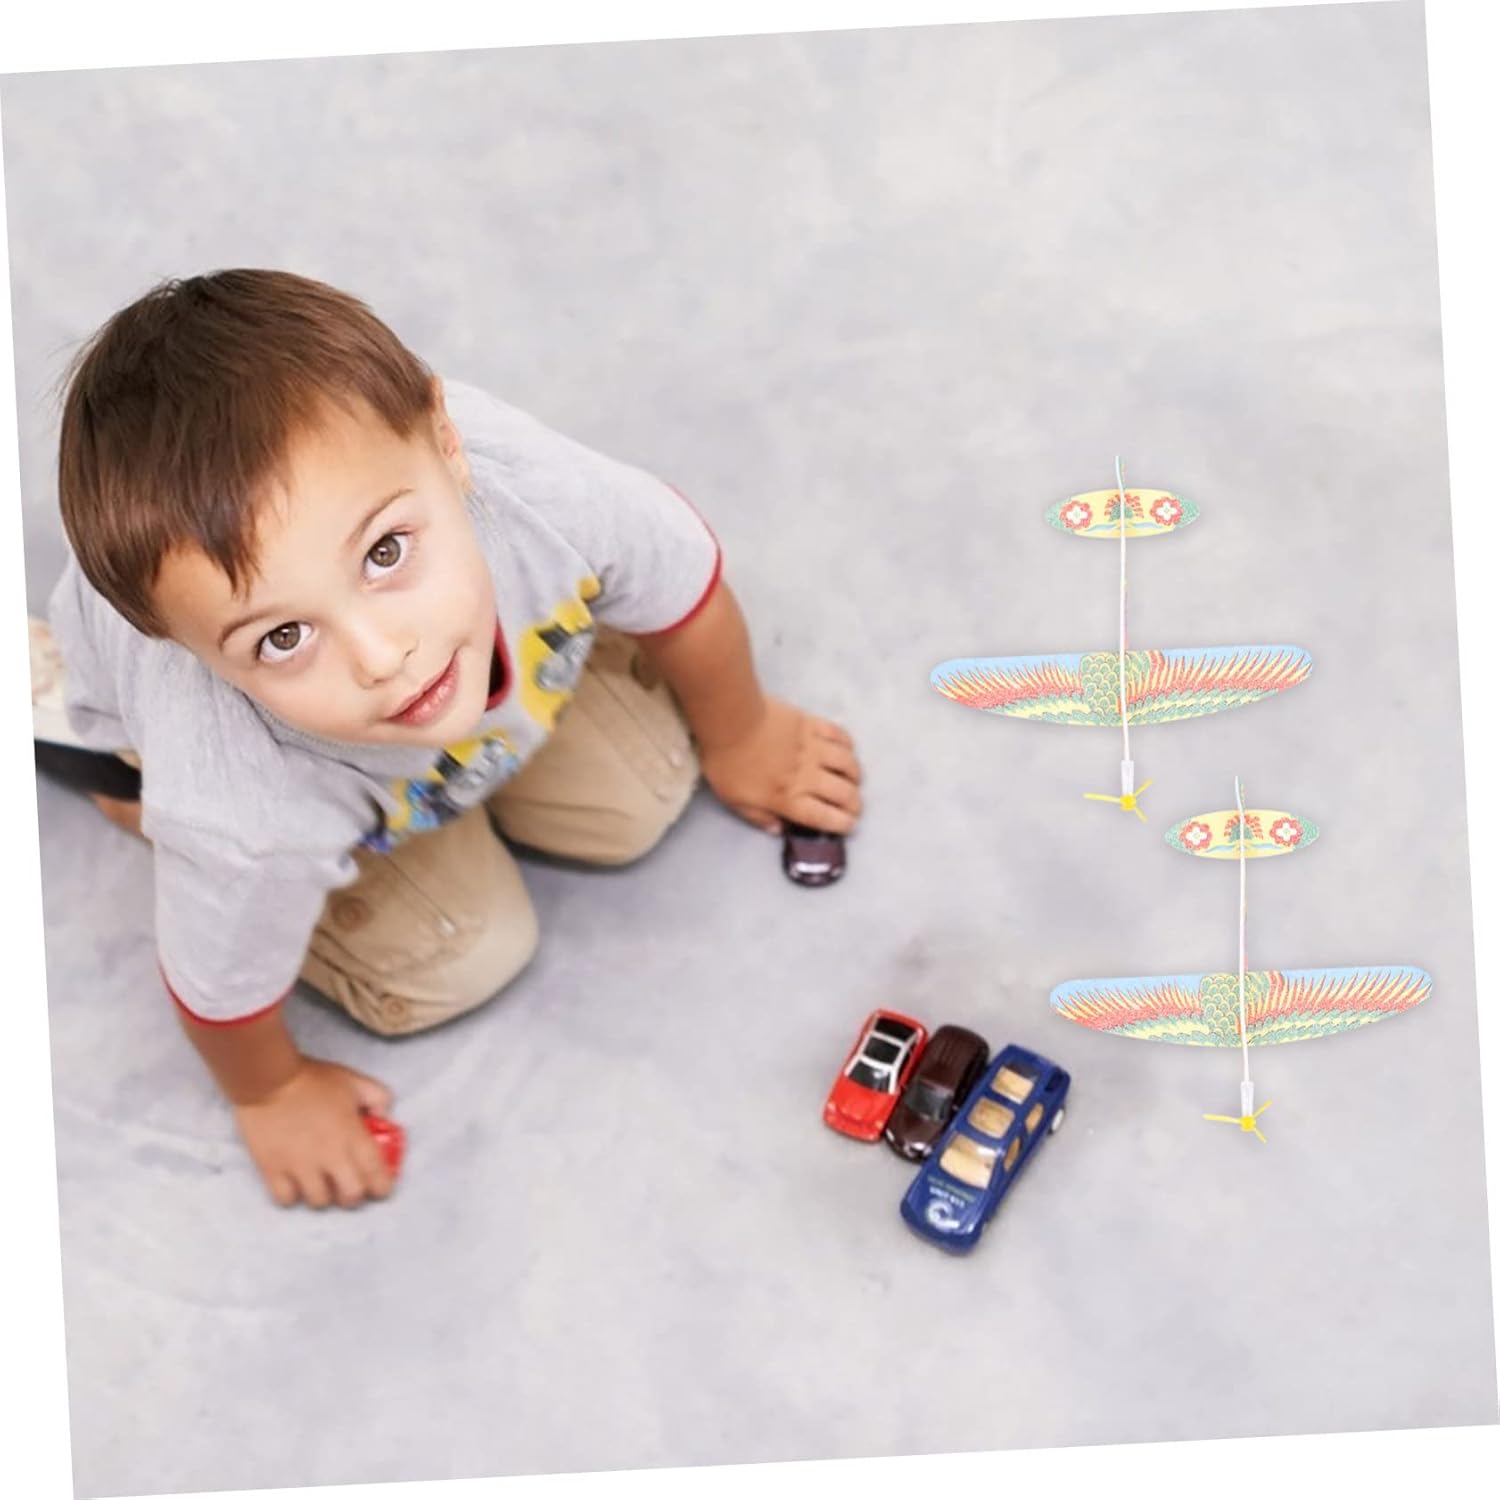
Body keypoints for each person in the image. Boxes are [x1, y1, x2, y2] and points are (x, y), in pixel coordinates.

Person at [37, 268, 862, 1211]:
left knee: (644, 794)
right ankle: (113, 773)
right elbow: (217, 976)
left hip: (418, 726)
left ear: (446, 444)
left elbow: (677, 577)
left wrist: (744, 733)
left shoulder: (530, 485)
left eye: (386, 553)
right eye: (284, 637)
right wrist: (269, 1092)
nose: (383, 656)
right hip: (284, 790)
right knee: (464, 956)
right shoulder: (235, 800)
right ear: (190, 651)